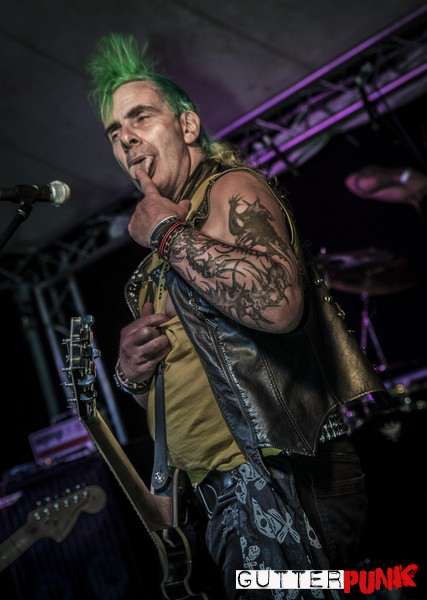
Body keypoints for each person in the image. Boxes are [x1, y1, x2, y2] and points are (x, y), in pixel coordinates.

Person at [88, 34, 387, 600]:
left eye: (141, 117)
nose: (125, 137)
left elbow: (278, 303)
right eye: (113, 131)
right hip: (217, 494)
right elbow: (180, 390)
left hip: (281, 475)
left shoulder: (231, 190)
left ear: (188, 126)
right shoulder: (153, 266)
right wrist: (131, 372)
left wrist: (165, 232)